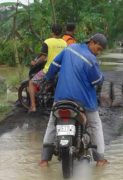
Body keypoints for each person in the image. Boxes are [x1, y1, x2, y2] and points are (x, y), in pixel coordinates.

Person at [39, 33, 108, 167]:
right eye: (98, 49)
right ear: (92, 42)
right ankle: (100, 160)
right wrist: (102, 78)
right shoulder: (91, 60)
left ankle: (44, 160)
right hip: (84, 101)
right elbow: (97, 81)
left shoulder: (69, 49)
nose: (98, 52)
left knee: (52, 123)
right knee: (95, 125)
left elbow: (53, 66)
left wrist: (48, 79)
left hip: (61, 97)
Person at [28, 24, 67, 112]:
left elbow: (42, 57)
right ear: (61, 33)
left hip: (49, 69)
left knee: (31, 82)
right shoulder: (64, 43)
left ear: (52, 32)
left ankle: (33, 106)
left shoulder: (48, 42)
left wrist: (35, 63)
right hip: (61, 70)